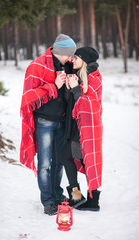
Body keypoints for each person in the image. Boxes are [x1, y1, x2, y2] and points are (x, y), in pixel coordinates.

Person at [20, 34, 76, 215]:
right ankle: (48, 201)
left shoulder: (69, 66)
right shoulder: (37, 66)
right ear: (62, 51)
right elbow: (29, 96)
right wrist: (53, 86)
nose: (71, 57)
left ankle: (57, 194)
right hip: (44, 121)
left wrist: (69, 87)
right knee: (45, 163)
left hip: (62, 120)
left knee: (59, 162)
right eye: (70, 54)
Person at [62, 46, 103, 211]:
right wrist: (68, 87)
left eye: (76, 58)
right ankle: (83, 198)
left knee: (85, 161)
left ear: (84, 61)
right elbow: (71, 101)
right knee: (78, 159)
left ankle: (87, 199)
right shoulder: (78, 75)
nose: (73, 60)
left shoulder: (95, 78)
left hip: (87, 127)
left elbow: (91, 106)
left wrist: (77, 89)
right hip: (76, 125)